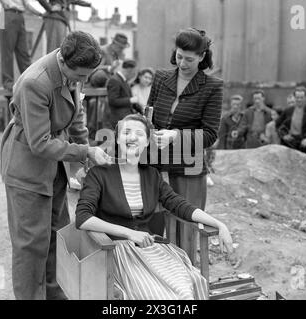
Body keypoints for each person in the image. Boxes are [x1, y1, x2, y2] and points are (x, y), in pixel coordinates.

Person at [0, 31, 112, 300]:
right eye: (81, 75)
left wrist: (87, 158)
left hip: (55, 169)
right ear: (62, 60)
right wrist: (86, 151)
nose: (84, 81)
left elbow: (77, 117)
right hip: (28, 167)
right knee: (30, 246)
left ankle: (54, 293)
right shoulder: (35, 83)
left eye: (87, 75)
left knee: (54, 237)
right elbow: (40, 143)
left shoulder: (74, 73)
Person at [75, 114, 233, 300]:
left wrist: (219, 224)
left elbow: (180, 205)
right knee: (157, 295)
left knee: (191, 283)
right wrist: (129, 233)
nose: (132, 137)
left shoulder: (151, 175)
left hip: (150, 249)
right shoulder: (99, 173)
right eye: (126, 132)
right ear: (117, 139)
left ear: (147, 142)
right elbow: (83, 217)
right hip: (115, 252)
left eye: (139, 134)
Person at [147, 28, 223, 262]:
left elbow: (210, 134)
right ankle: (151, 270)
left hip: (189, 164)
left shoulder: (212, 87)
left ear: (202, 56)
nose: (183, 63)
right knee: (150, 222)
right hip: (154, 161)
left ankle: (183, 275)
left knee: (185, 225)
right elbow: (148, 113)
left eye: (189, 59)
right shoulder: (160, 77)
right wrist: (146, 129)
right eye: (179, 56)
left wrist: (175, 136)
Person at [0, 0, 42, 91]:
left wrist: (40, 14)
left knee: (23, 52)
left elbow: (26, 4)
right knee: (7, 51)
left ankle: (29, 79)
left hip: (20, 16)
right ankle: (8, 82)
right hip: (6, 14)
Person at [276, 87, 306, 156]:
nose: (299, 100)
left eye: (301, 97)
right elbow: (277, 124)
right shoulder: (288, 111)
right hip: (290, 143)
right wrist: (284, 135)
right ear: (294, 97)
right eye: (297, 97)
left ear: (305, 98)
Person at [106, 59, 142, 129]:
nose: (134, 75)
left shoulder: (124, 80)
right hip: (119, 118)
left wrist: (141, 110)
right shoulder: (114, 80)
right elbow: (112, 101)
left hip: (127, 116)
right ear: (129, 70)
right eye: (134, 72)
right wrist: (130, 100)